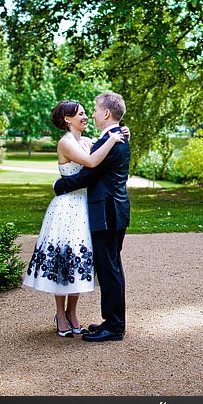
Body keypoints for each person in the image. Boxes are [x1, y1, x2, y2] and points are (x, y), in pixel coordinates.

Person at [22, 100, 130, 338]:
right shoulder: (67, 142)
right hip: (68, 208)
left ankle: (79, 316)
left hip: (87, 208)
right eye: (80, 114)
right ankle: (62, 314)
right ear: (67, 119)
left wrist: (119, 134)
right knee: (64, 259)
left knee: (80, 261)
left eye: (87, 112)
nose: (86, 116)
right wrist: (114, 137)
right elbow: (91, 164)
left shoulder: (89, 141)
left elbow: (97, 160)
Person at [53, 91, 130, 342]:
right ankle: (111, 322)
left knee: (110, 271)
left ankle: (114, 327)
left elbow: (87, 176)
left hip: (106, 212)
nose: (92, 114)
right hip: (115, 210)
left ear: (106, 113)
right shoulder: (116, 138)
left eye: (95, 110)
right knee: (111, 268)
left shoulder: (110, 140)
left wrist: (59, 186)